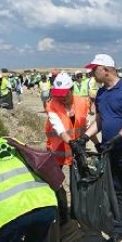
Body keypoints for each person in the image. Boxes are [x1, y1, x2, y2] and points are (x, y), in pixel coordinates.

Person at [71, 53, 122, 242]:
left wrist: (118, 137)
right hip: (110, 151)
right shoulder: (102, 94)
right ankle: (119, 227)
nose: (91, 73)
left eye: (94, 69)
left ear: (105, 70)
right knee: (114, 191)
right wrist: (85, 137)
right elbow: (99, 120)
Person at [44, 72, 89, 227]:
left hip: (76, 149)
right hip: (57, 149)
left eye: (64, 94)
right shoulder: (52, 104)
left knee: (77, 181)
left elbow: (86, 126)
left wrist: (95, 143)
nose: (61, 98)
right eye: (58, 95)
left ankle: (76, 213)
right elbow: (58, 127)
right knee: (55, 182)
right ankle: (61, 215)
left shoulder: (83, 102)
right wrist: (72, 143)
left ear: (71, 90)